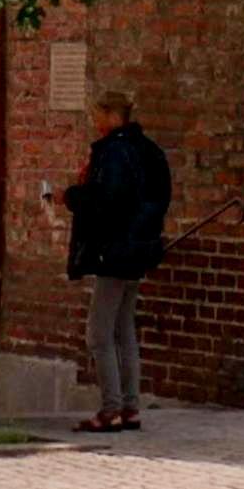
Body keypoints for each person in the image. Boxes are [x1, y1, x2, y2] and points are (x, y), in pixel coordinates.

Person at [62, 90, 170, 431]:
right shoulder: (148, 150)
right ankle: (130, 406)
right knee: (125, 329)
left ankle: (110, 408)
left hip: (115, 249)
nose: (95, 122)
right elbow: (159, 197)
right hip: (138, 248)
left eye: (97, 115)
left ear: (111, 115)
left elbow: (106, 202)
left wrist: (73, 195)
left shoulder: (114, 152)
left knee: (99, 333)